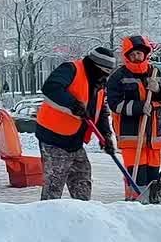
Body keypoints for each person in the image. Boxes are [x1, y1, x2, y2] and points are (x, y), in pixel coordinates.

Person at [35, 46, 117, 201]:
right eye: (103, 73)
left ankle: (83, 215)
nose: (105, 78)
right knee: (54, 185)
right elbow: (51, 88)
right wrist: (73, 105)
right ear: (94, 67)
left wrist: (105, 135)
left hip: (75, 141)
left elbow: (100, 112)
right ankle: (47, 219)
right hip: (53, 138)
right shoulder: (71, 69)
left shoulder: (98, 84)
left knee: (82, 180)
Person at [105, 35, 161, 202]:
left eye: (140, 53)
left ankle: (152, 202)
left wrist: (159, 89)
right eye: (133, 54)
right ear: (127, 56)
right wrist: (138, 107)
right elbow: (114, 104)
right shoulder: (119, 76)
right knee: (137, 175)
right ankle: (136, 202)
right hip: (131, 137)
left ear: (146, 54)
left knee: (153, 174)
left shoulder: (156, 73)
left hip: (154, 137)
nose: (137, 57)